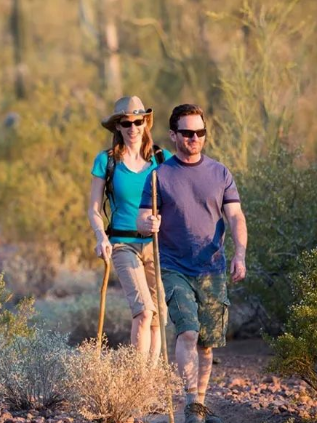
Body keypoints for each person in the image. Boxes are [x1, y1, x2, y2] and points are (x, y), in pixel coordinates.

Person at [136, 104, 247, 423]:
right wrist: (149, 224)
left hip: (212, 268)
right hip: (174, 268)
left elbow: (235, 215)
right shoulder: (159, 177)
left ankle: (198, 402)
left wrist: (239, 253)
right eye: (187, 132)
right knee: (188, 332)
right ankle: (189, 404)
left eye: (200, 132)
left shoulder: (220, 172)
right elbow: (143, 218)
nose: (194, 137)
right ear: (173, 135)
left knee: (207, 344)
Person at [88, 95, 172, 363]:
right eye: (126, 123)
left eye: (138, 122)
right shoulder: (107, 161)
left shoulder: (163, 159)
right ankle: (138, 378)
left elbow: (176, 201)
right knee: (144, 311)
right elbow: (93, 209)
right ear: (118, 127)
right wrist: (101, 237)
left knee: (159, 314)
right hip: (123, 244)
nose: (133, 128)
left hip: (157, 244)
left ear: (146, 123)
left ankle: (150, 379)